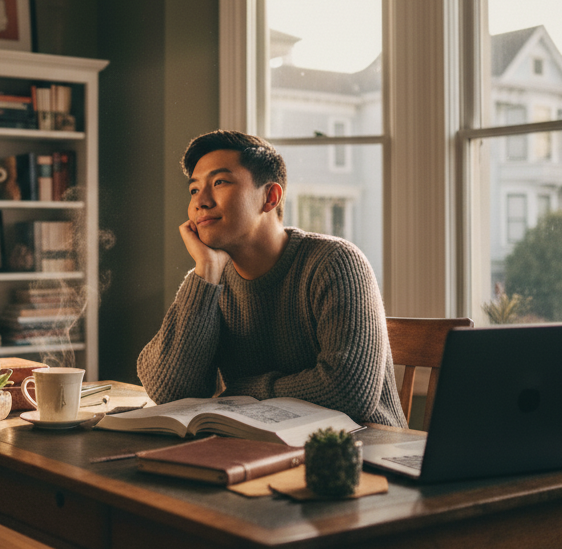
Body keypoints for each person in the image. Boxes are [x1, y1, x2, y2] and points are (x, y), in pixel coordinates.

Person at [136, 130, 407, 427]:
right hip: (262, 449)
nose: (201, 201)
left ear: (270, 197)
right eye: (193, 190)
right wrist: (205, 272)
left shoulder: (336, 262)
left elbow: (348, 392)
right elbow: (171, 392)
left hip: (362, 453)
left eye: (219, 182)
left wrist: (242, 392)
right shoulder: (209, 281)